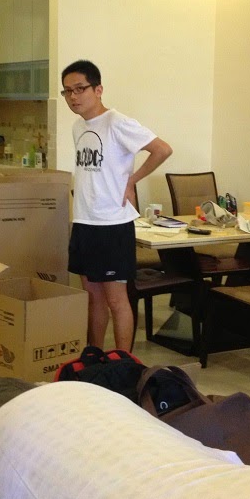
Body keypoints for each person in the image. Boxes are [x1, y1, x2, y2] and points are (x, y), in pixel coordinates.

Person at [62, 59, 173, 352]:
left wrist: (132, 180)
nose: (73, 97)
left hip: (112, 225)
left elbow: (162, 150)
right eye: (67, 91)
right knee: (93, 298)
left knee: (116, 300)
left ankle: (124, 363)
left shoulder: (117, 122)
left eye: (79, 89)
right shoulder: (78, 127)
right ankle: (95, 357)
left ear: (98, 90)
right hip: (84, 222)